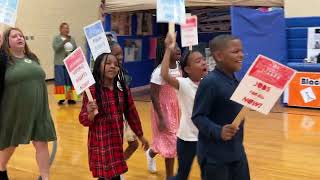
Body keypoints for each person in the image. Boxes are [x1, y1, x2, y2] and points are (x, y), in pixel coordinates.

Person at [79, 53, 149, 180]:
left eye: (116, 65)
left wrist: (140, 135)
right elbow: (83, 120)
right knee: (105, 177)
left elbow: (131, 113)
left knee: (115, 175)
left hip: (116, 142)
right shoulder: (92, 91)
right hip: (100, 144)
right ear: (98, 66)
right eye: (108, 63)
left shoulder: (122, 89)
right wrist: (90, 113)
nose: (113, 67)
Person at [0, 27, 57, 180]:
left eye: (21, 36)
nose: (19, 38)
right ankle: (1, 168)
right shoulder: (4, 61)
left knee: (41, 142)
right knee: (9, 144)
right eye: (14, 36)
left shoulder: (32, 58)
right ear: (7, 42)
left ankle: (45, 177)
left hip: (39, 110)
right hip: (14, 110)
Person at [192, 34, 250, 180]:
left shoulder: (235, 81)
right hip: (215, 159)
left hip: (237, 153)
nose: (241, 55)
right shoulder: (210, 82)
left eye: (241, 51)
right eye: (235, 52)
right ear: (219, 55)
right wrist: (218, 131)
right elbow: (198, 116)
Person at [160, 33, 208, 180]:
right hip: (187, 139)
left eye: (204, 60)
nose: (204, 63)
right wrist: (168, 49)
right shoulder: (183, 84)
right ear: (187, 69)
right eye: (198, 61)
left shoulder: (210, 83)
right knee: (182, 175)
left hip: (207, 138)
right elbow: (164, 75)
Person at [146, 38, 181, 179]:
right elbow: (153, 96)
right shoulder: (159, 71)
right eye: (174, 47)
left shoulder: (179, 66)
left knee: (165, 142)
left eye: (178, 46)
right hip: (162, 109)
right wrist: (161, 118)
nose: (178, 49)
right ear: (165, 51)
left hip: (175, 108)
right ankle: (170, 177)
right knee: (171, 143)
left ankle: (150, 153)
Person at [109, 41, 138, 161]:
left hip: (125, 114)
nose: (121, 57)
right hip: (114, 117)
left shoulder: (123, 72)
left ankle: (119, 167)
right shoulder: (107, 75)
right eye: (117, 54)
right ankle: (116, 171)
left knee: (134, 144)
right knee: (116, 147)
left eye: (121, 54)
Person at [52, 22, 77, 105]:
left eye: (68, 28)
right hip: (59, 63)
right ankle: (61, 98)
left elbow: (75, 49)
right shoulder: (56, 38)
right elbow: (56, 48)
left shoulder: (72, 39)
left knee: (70, 81)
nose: (67, 29)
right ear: (60, 29)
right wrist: (64, 42)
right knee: (60, 81)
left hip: (69, 63)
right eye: (65, 28)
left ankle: (71, 98)